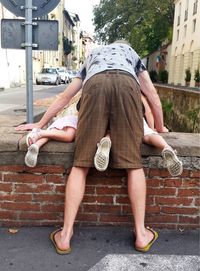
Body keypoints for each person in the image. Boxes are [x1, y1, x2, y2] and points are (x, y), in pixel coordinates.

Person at [16, 41, 168, 254]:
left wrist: (40, 124)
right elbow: (152, 96)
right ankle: (141, 235)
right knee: (134, 165)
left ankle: (65, 235)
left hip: (94, 84)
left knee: (80, 164)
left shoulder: (93, 55)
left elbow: (66, 96)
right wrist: (159, 127)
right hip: (127, 84)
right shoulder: (130, 54)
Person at [94, 94, 183, 177]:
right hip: (134, 115)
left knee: (110, 130)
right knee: (148, 135)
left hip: (107, 110)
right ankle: (166, 147)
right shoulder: (134, 85)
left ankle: (107, 140)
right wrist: (151, 129)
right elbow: (148, 112)